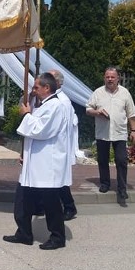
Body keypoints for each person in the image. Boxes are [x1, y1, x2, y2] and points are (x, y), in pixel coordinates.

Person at [3, 72, 71, 250]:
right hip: (34, 161)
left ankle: (57, 237)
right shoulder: (43, 105)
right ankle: (24, 233)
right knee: (23, 198)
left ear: (47, 88)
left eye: (36, 87)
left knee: (50, 202)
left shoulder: (56, 106)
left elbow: (41, 130)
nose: (33, 90)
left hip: (47, 163)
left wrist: (26, 115)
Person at [86, 66, 135, 205]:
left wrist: (133, 131)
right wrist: (97, 112)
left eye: (112, 77)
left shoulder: (125, 93)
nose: (110, 79)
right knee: (103, 160)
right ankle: (105, 183)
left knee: (121, 160)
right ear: (104, 78)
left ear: (117, 78)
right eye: (107, 77)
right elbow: (88, 109)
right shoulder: (98, 92)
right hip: (102, 133)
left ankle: (122, 189)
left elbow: (131, 114)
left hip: (119, 133)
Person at [49, 69, 78, 221]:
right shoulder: (53, 97)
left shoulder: (62, 100)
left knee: (60, 180)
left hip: (58, 145)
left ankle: (69, 206)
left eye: (50, 78)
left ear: (58, 82)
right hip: (53, 145)